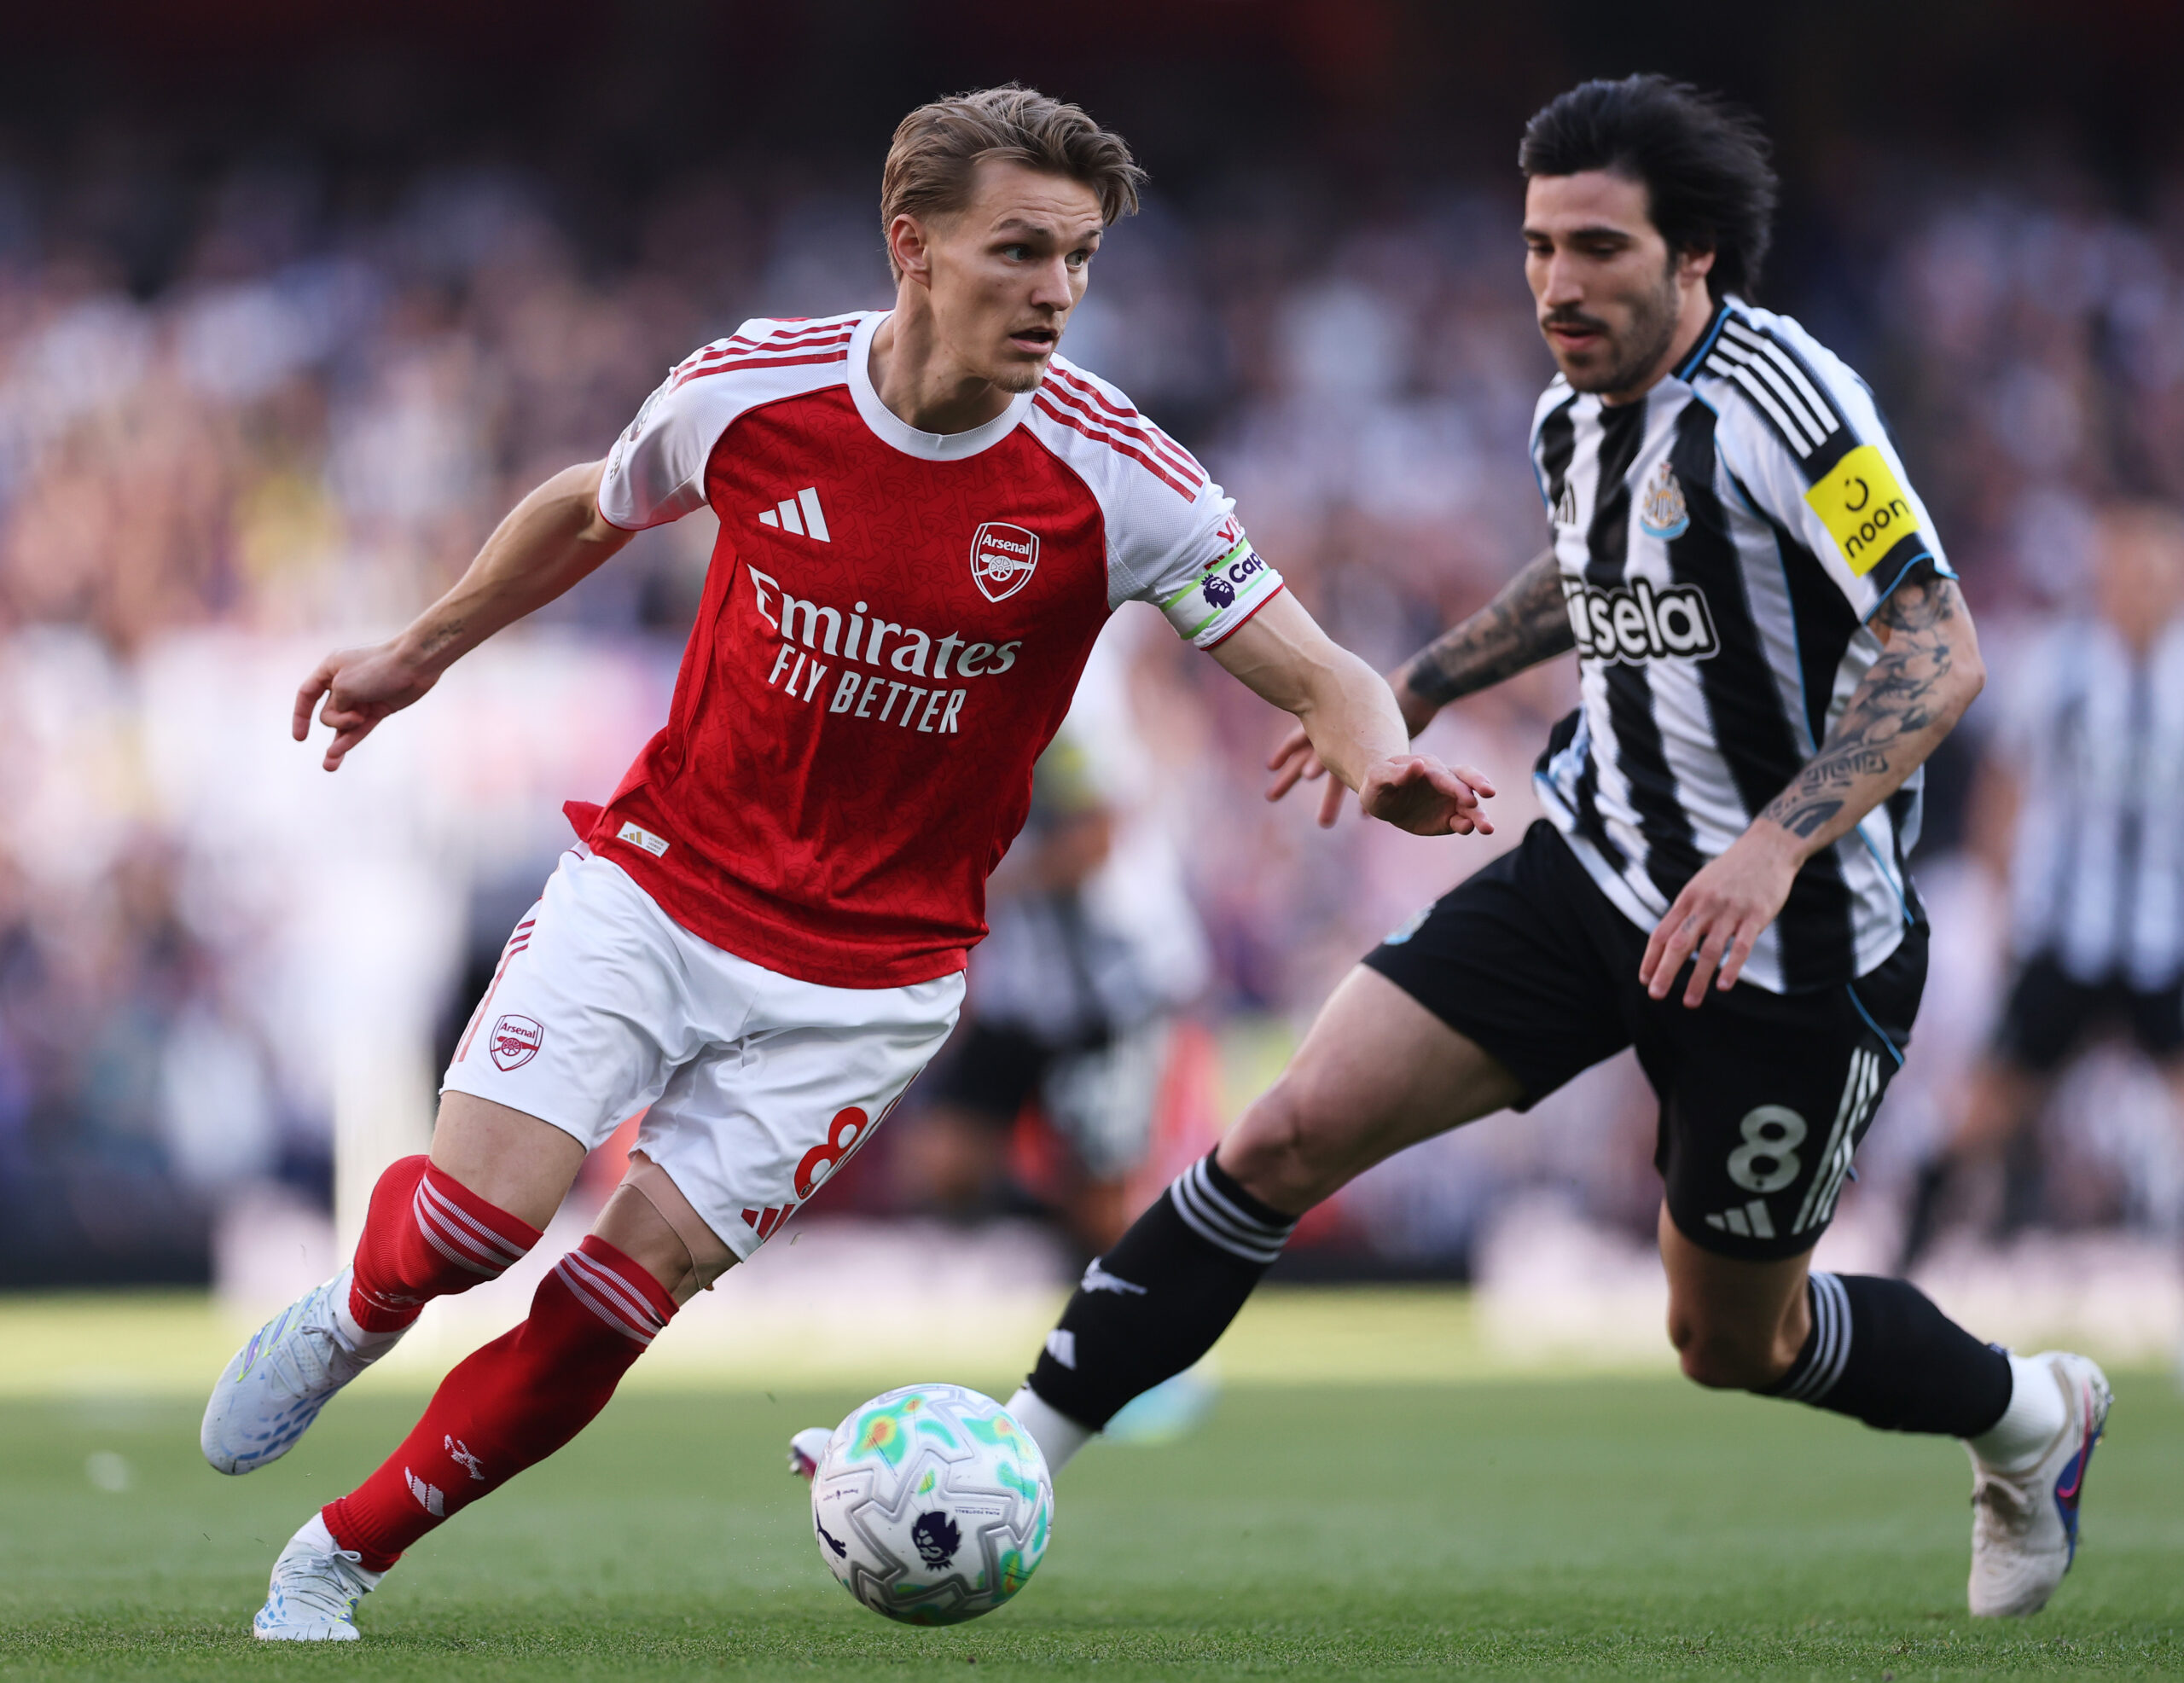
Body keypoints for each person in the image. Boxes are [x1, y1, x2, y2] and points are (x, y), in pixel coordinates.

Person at [201, 84, 1493, 1642]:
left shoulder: (1120, 475)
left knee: (614, 1302)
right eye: (1022, 250)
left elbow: (1316, 663)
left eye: (1081, 258)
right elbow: (591, 508)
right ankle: (354, 1312)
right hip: (660, 885)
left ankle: (336, 1555)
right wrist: (418, 652)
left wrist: (1378, 751)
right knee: (474, 1228)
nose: (1059, 291)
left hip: (871, 982)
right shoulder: (756, 390)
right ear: (913, 245)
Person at [970, 76, 2111, 1621]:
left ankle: (2030, 1415)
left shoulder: (1794, 404)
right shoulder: (1568, 412)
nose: (1557, 284)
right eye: (1536, 246)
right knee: (1286, 1130)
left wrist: (1772, 847)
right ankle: (1012, 1458)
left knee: (1733, 1341)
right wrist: (1422, 681)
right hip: (1591, 872)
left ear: (1693, 254)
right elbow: (1590, 566)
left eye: (1598, 247)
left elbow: (1938, 641)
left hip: (1790, 942)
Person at [1898, 503, 2184, 1271]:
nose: (2143, 589)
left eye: (2158, 574)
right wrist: (2002, 904)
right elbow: (2006, 789)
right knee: (1994, 1098)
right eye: (2130, 572)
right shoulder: (2059, 669)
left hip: (2165, 934)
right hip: (2067, 931)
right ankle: (1914, 1241)